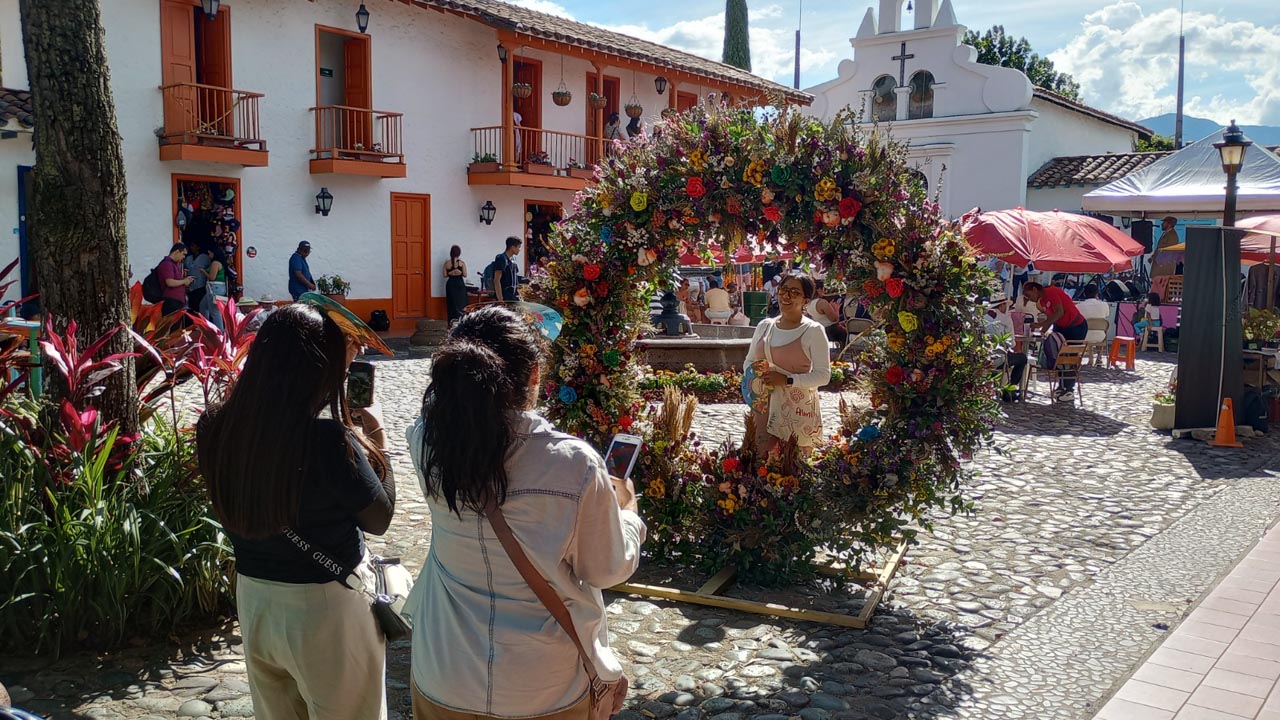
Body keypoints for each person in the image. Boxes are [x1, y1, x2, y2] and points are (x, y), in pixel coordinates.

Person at [405, 305, 645, 720]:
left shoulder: (424, 440)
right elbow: (607, 569)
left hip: (444, 668)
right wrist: (628, 513)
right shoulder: (574, 464)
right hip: (542, 684)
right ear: (534, 374)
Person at [196, 304, 395, 720]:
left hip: (255, 597)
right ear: (317, 371)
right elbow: (379, 519)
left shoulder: (215, 426)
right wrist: (378, 440)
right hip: (324, 606)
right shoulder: (327, 441)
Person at [744, 272, 831, 455]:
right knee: (759, 462)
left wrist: (788, 380)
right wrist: (756, 379)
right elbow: (749, 362)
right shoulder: (764, 326)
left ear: (806, 301)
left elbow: (823, 375)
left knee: (790, 467)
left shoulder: (813, 331)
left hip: (795, 412)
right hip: (763, 409)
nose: (786, 296)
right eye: (783, 290)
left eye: (794, 292)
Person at [1022, 281, 1088, 399]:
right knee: (1059, 357)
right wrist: (1042, 331)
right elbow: (1050, 317)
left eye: (1029, 295)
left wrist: (1041, 324)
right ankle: (1061, 386)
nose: (1030, 299)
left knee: (1070, 357)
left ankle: (1069, 389)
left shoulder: (1051, 292)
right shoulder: (1042, 301)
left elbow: (1059, 312)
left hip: (1075, 326)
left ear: (1034, 290)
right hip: (1061, 326)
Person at [984, 294, 1027, 402]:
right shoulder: (1006, 319)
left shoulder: (982, 318)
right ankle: (1010, 389)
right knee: (1022, 358)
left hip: (982, 358)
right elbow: (1011, 343)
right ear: (1001, 305)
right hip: (1000, 359)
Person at [158, 243, 194, 317]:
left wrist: (186, 281)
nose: (184, 257)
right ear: (177, 252)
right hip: (171, 301)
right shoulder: (167, 263)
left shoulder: (175, 264)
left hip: (178, 301)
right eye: (183, 254)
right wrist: (184, 281)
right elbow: (170, 282)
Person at [491, 236, 522, 303]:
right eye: (518, 247)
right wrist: (500, 299)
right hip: (505, 295)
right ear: (513, 247)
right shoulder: (501, 258)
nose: (519, 250)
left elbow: (515, 278)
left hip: (514, 296)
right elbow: (497, 280)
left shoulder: (513, 260)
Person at [444, 245, 468, 326]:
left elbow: (444, 275)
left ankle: (451, 323)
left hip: (450, 284)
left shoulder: (447, 263)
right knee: (461, 304)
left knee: (451, 304)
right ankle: (461, 322)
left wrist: (450, 273)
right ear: (459, 253)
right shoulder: (462, 263)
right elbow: (465, 274)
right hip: (459, 284)